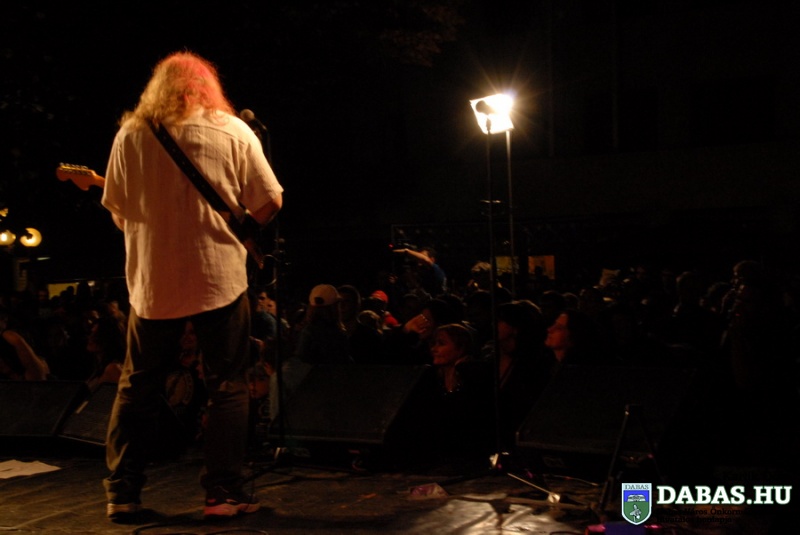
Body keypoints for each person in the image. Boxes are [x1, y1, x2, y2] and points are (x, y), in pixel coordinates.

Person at [100, 51, 283, 522]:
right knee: (228, 385)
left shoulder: (130, 135)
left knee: (137, 386)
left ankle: (123, 494)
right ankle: (222, 494)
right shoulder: (234, 130)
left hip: (153, 282)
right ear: (207, 88)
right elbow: (270, 200)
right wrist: (239, 224)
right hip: (217, 275)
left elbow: (118, 212)